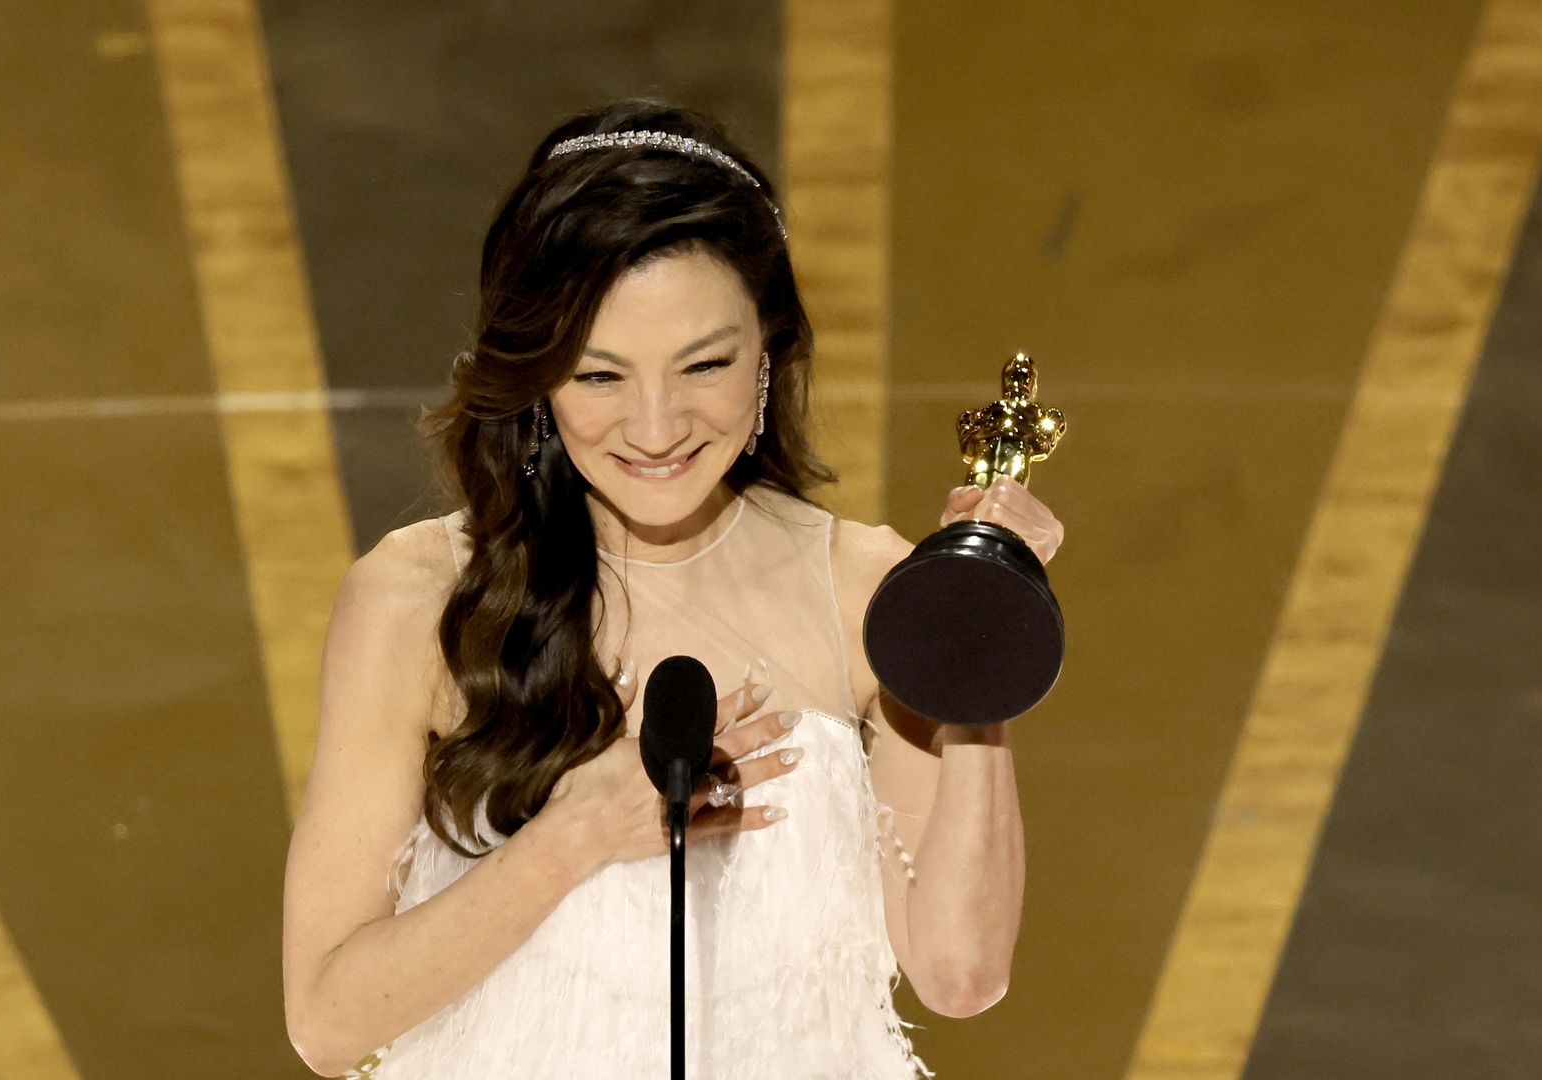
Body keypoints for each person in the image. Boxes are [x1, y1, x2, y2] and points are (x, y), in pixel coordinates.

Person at [281, 99, 1061, 1080]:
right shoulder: (422, 600)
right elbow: (326, 1017)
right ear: (537, 377)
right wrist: (570, 840)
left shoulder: (863, 586)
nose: (655, 428)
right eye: (600, 376)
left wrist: (979, 633)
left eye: (705, 365)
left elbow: (959, 972)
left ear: (770, 353)